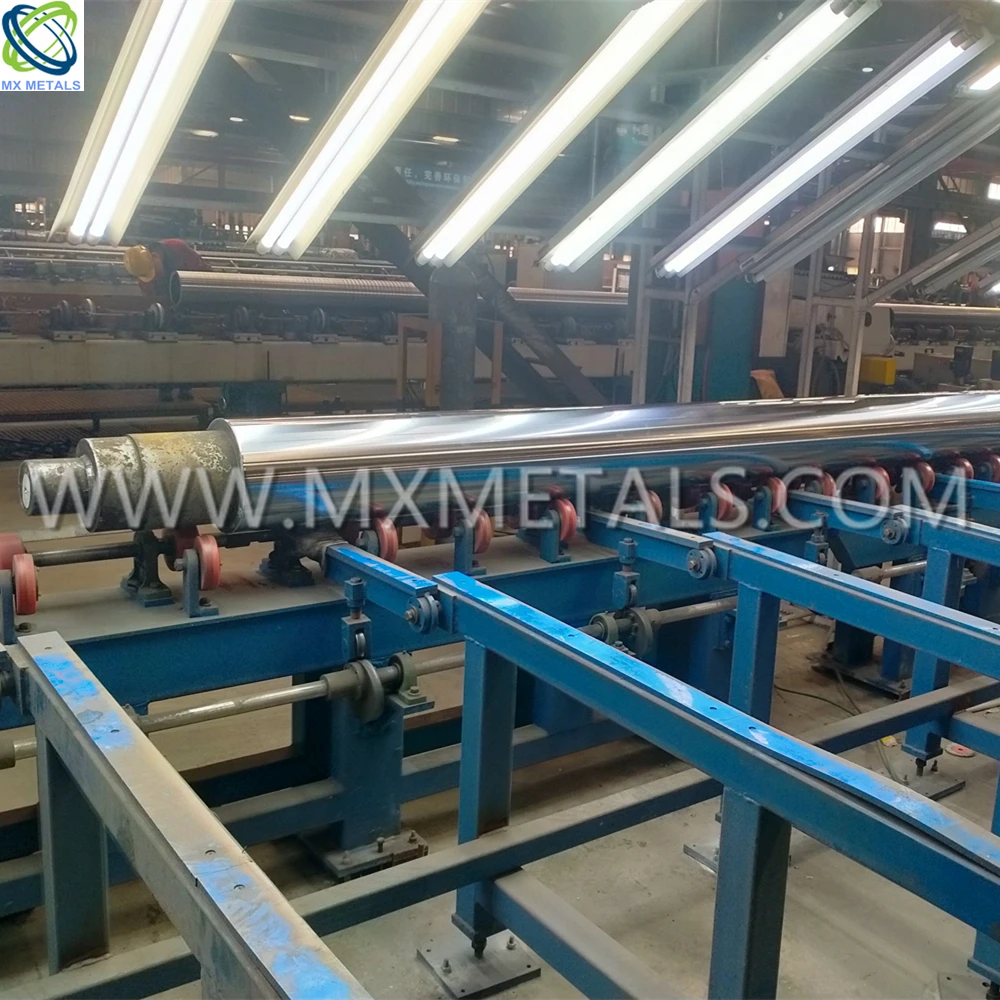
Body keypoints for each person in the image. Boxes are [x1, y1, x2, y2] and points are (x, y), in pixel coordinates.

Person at [122, 238, 211, 298]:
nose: (154, 277)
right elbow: (152, 301)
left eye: (154, 272)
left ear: (155, 256)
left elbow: (206, 274)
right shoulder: (143, 274)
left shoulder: (176, 247)